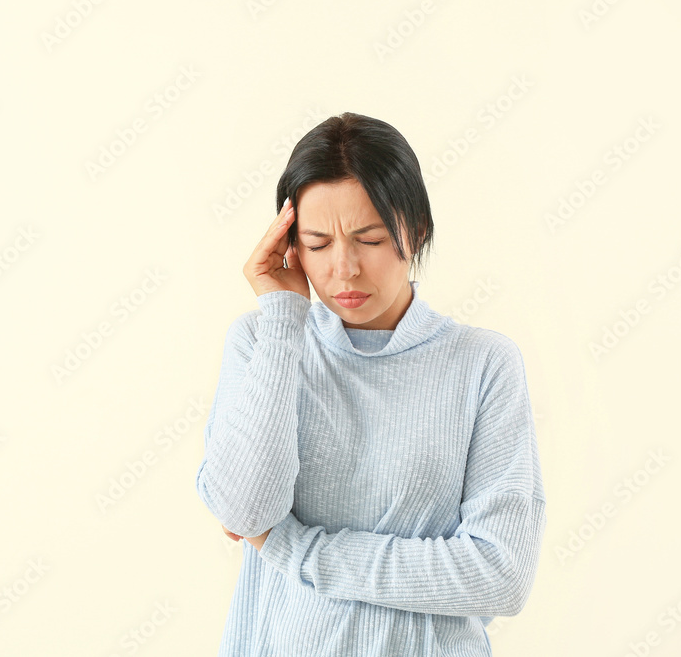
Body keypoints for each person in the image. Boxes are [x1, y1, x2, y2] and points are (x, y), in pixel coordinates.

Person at [194, 112, 547, 655]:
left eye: (371, 238)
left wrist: (294, 549)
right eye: (317, 243)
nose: (345, 269)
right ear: (290, 246)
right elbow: (244, 512)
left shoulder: (483, 365)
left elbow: (499, 573)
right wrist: (284, 316)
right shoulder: (261, 341)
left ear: (417, 229)